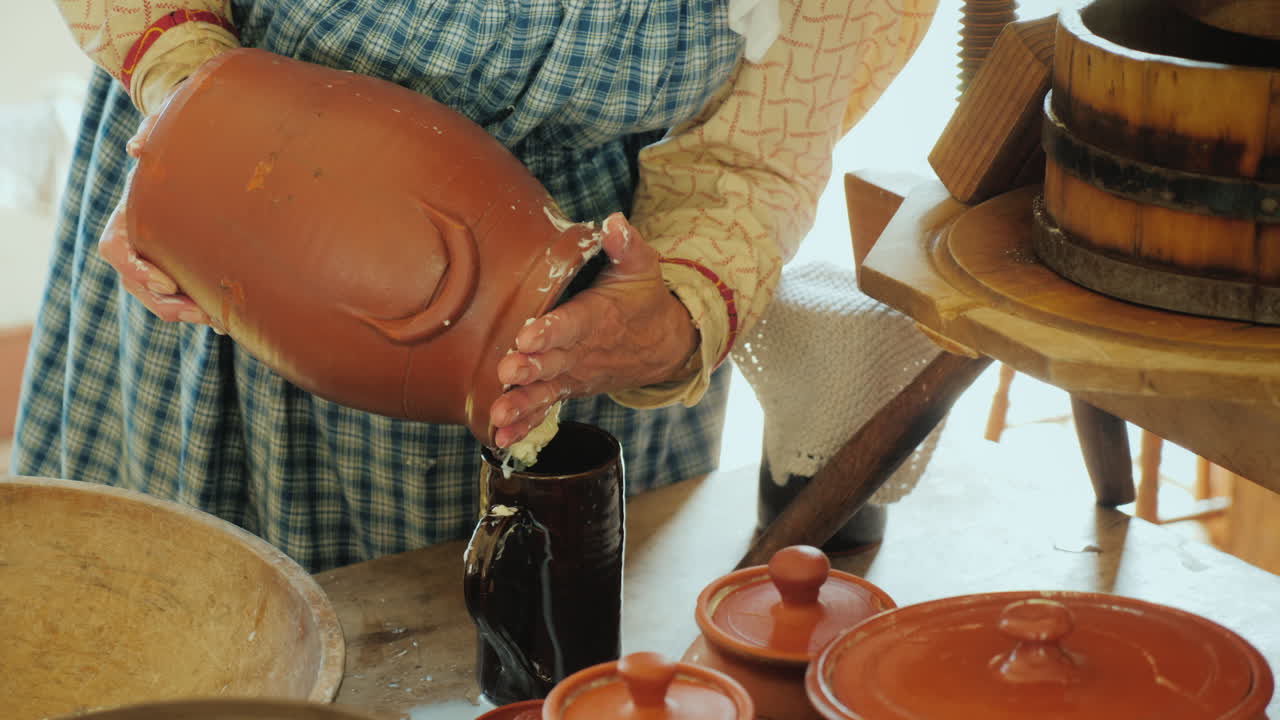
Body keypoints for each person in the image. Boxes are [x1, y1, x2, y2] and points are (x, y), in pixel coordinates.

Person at [15, 0, 934, 572]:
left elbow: (752, 159)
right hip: (247, 205)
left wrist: (666, 318)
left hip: (599, 295)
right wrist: (195, 111)